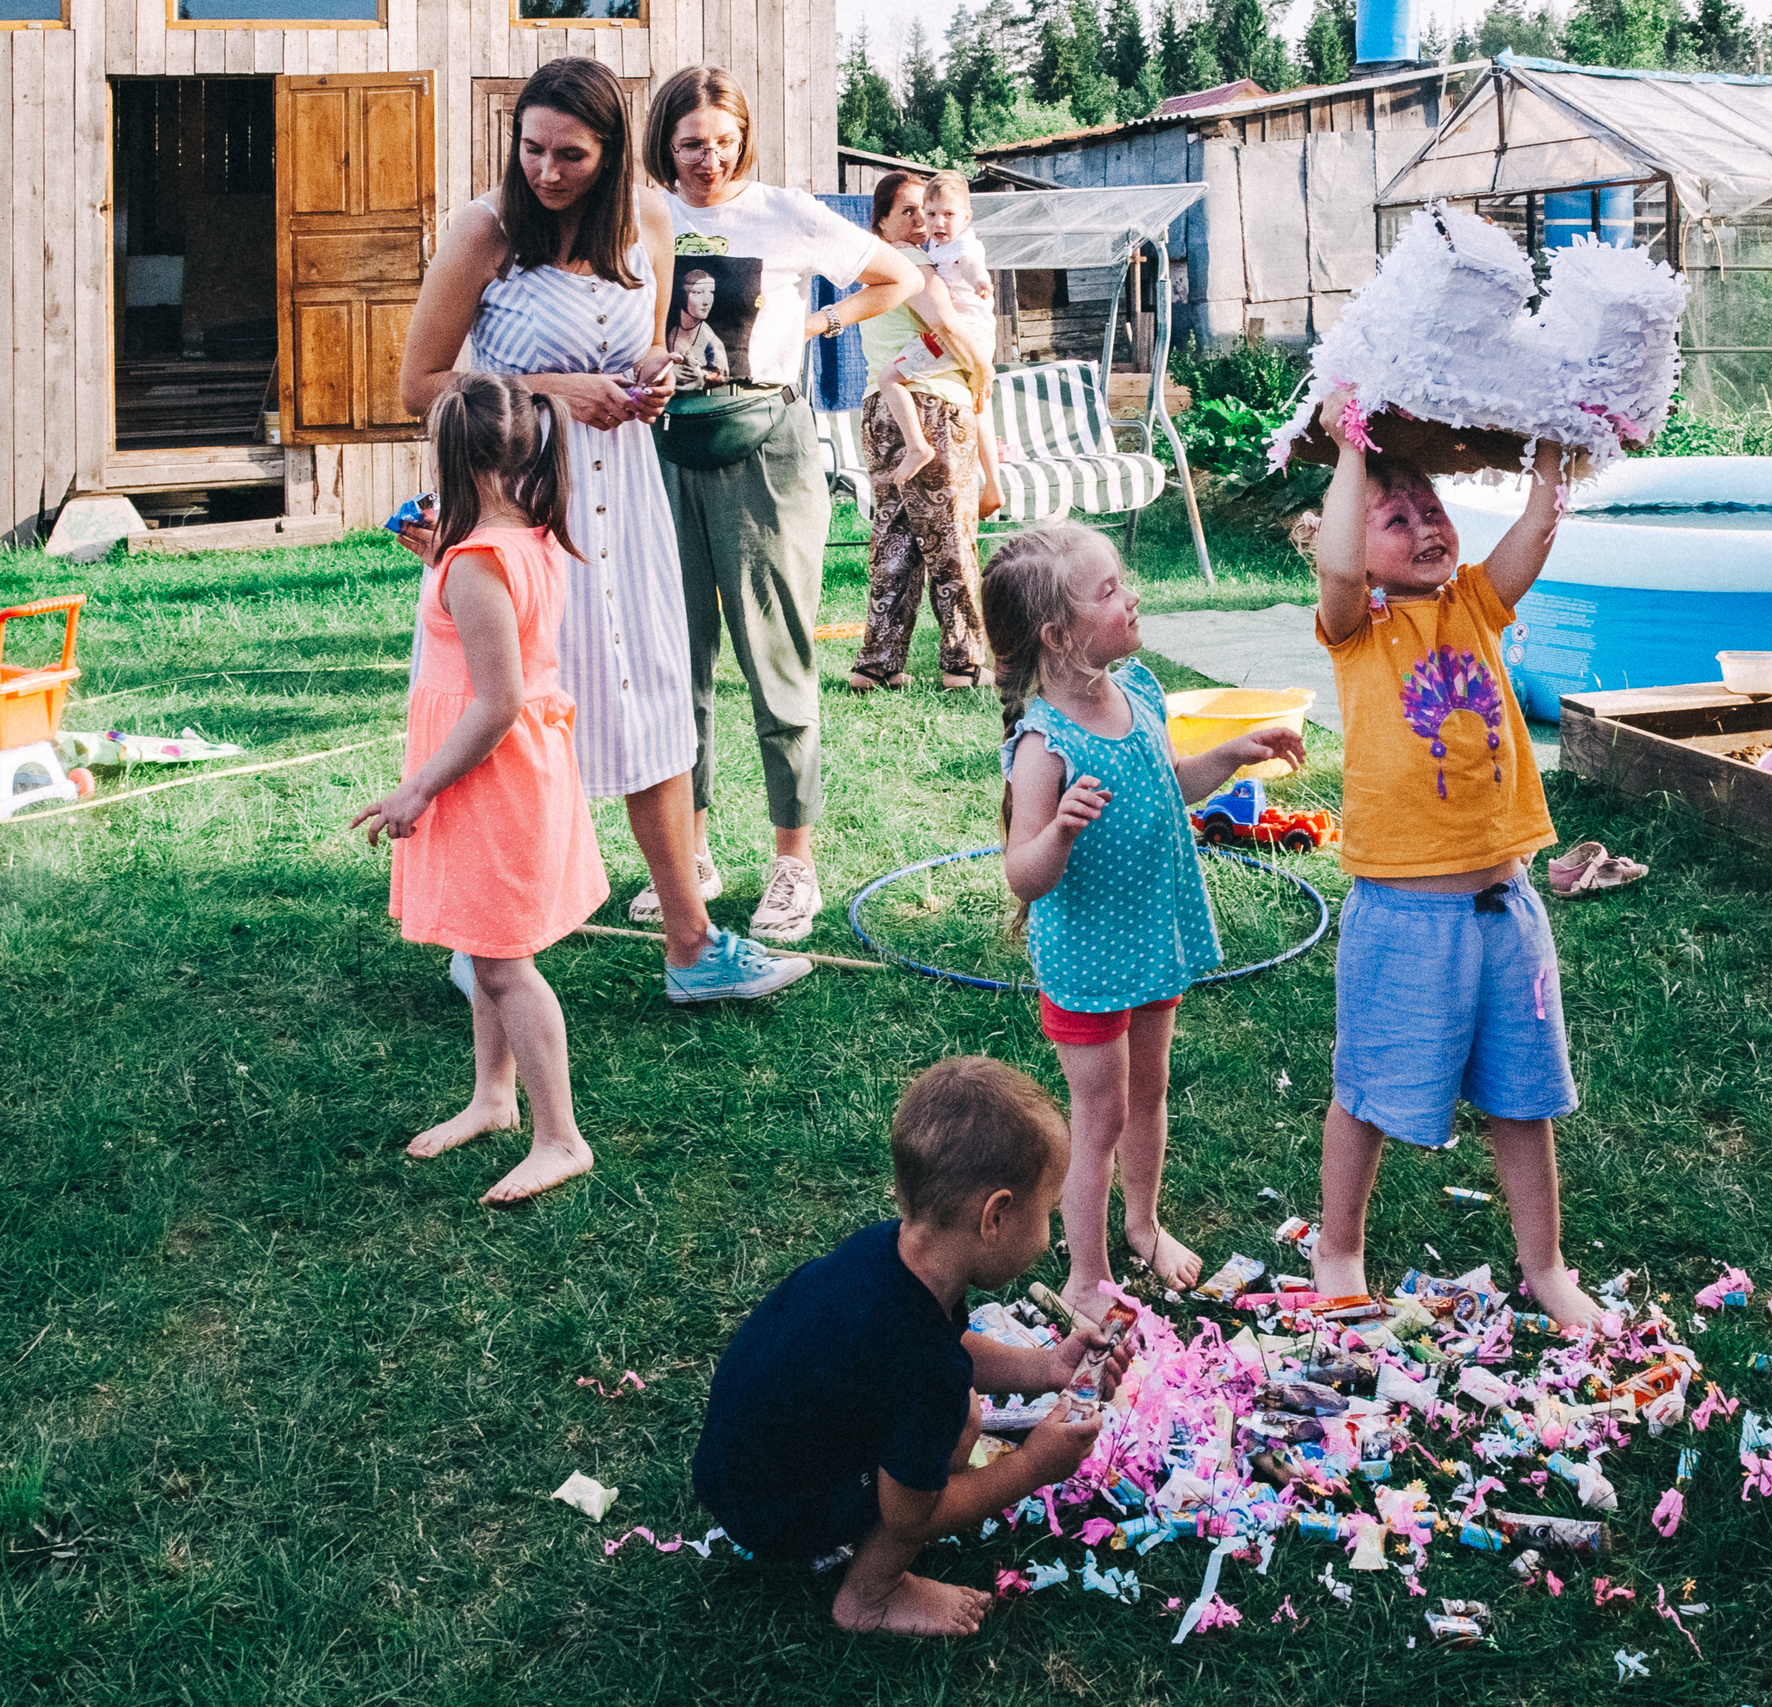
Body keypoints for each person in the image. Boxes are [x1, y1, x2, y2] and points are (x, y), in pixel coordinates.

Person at [399, 55, 810, 1004]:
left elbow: (647, 346)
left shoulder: (652, 221)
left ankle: (692, 945)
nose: (546, 170)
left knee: (651, 700)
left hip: (628, 501)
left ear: (614, 151)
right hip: (521, 506)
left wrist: (656, 374)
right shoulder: (485, 233)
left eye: (571, 155)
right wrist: (553, 392)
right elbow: (418, 385)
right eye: (532, 149)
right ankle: (486, 939)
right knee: (517, 714)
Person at [1302, 393, 1601, 1328]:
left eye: (1431, 508)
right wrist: (1353, 449)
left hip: (1506, 908)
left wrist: (1554, 452)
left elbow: (1536, 530)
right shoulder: (1358, 626)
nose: (1426, 524)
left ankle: (1544, 1263)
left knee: (1524, 1094)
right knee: (1366, 1089)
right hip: (1403, 915)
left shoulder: (1475, 601)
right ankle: (1338, 1246)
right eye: (1398, 518)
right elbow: (1340, 564)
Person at [692, 1056, 1131, 1637]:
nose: (1050, 1237)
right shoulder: (922, 1368)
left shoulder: (892, 1253)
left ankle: (868, 1557)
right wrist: (1033, 1466)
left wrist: (1049, 1366)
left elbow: (947, 1346)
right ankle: (871, 1594)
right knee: (954, 1423)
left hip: (738, 1469)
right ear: (995, 1216)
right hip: (775, 1514)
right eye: (1048, 1213)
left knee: (961, 1412)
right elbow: (916, 1512)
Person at [987, 523, 1305, 1321]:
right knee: (1100, 1117)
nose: (1132, 594)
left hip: (1154, 936)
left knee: (1150, 1093)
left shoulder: (1142, 691)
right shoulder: (1044, 746)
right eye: (1109, 590)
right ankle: (1086, 1275)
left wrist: (1230, 755)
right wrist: (1058, 829)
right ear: (1059, 636)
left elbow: (1168, 783)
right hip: (1090, 960)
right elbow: (1022, 870)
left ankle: (1143, 1224)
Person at [645, 68, 926, 944]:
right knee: (671, 661)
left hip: (767, 446)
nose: (709, 159)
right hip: (661, 447)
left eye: (723, 142)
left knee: (777, 657)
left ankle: (791, 864)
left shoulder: (785, 212)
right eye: (692, 144)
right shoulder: (641, 216)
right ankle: (686, 854)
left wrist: (816, 325)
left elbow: (899, 276)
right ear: (666, 143)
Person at [355, 376, 608, 1206]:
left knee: (504, 966)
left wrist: (415, 790)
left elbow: (496, 700)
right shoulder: (516, 540)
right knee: (486, 941)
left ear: (455, 460)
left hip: (487, 776)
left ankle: (560, 1136)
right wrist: (438, 562)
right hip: (501, 772)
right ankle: (493, 1098)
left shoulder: (478, 563)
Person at [849, 169, 1001, 694]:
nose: (922, 221)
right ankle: (963, 662)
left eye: (928, 211)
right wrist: (984, 370)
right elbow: (951, 325)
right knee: (949, 538)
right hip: (933, 406)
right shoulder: (913, 264)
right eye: (909, 212)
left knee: (894, 539)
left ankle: (877, 662)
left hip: (879, 410)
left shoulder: (873, 270)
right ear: (882, 221)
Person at [878, 172, 1002, 502]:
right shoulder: (937, 245)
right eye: (930, 214)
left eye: (947, 215)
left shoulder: (961, 246)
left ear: (966, 217)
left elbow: (971, 265)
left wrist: (980, 283)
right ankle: (993, 483)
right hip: (978, 336)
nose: (935, 222)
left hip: (958, 334)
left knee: (889, 378)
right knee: (980, 404)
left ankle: (917, 446)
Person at [666, 267, 730, 388]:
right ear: (682, 295)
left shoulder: (711, 342)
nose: (706, 301)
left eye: (711, 292)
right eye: (698, 293)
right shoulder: (666, 327)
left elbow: (721, 376)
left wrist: (701, 377)